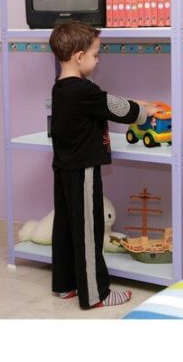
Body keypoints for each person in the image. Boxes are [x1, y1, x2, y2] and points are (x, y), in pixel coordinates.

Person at [48, 20, 156, 309]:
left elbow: (103, 101)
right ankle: (97, 294)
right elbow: (113, 107)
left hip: (63, 168)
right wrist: (143, 112)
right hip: (83, 170)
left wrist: (137, 103)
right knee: (89, 231)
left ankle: (65, 284)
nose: (98, 60)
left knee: (66, 227)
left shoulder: (61, 87)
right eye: (96, 55)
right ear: (78, 56)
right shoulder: (83, 90)